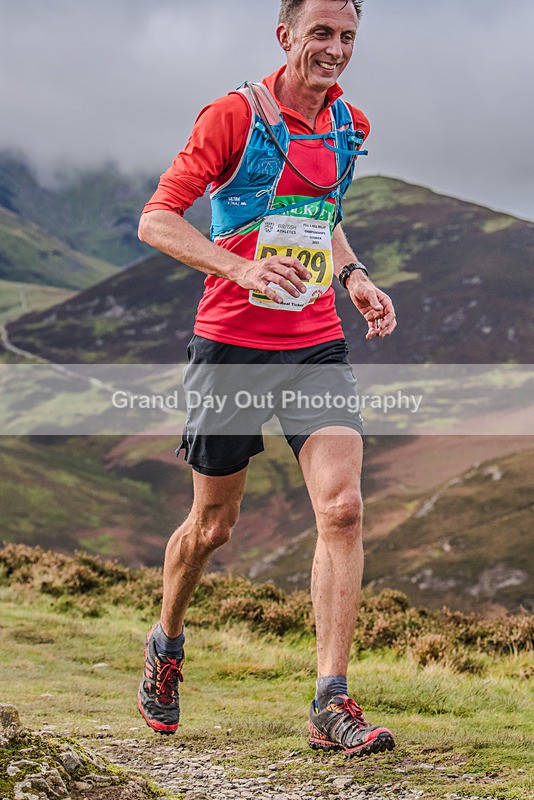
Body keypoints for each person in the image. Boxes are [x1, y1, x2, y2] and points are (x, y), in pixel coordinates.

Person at [137, 0, 397, 757]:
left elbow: (323, 213)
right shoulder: (233, 117)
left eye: (348, 36)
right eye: (322, 33)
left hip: (315, 342)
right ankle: (167, 643)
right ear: (284, 36)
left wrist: (351, 275)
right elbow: (157, 219)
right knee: (214, 527)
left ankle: (330, 700)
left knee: (343, 509)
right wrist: (241, 266)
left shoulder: (350, 126)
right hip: (232, 346)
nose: (336, 50)